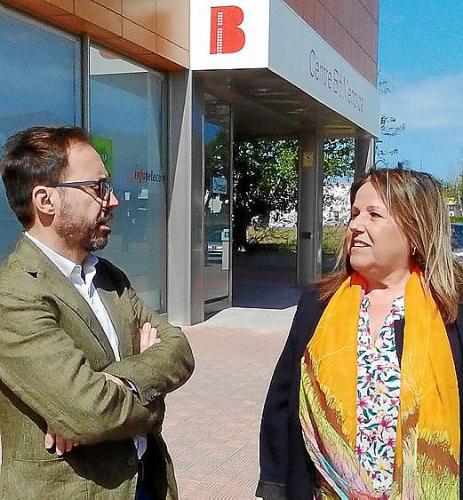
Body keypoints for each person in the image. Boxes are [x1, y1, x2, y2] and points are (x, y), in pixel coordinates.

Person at [0, 126, 195, 499]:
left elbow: (179, 349)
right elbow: (89, 412)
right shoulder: (14, 293)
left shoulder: (108, 277)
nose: (114, 201)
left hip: (145, 480)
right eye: (99, 187)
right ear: (45, 200)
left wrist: (116, 384)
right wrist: (151, 393)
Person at [257, 168, 463, 499]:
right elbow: (281, 404)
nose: (355, 225)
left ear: (415, 230)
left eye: (374, 214)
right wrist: (275, 487)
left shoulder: (452, 310)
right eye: (354, 213)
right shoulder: (319, 304)